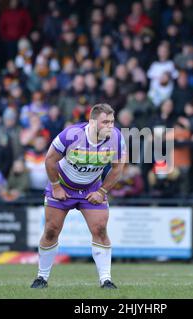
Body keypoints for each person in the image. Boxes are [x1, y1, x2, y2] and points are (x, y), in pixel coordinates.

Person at [30, 103, 126, 289]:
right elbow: (50, 160)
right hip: (63, 187)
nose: (110, 126)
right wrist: (56, 187)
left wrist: (101, 191)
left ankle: (106, 280)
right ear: (92, 122)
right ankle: (41, 277)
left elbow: (118, 168)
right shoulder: (71, 134)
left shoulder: (117, 138)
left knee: (100, 229)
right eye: (105, 122)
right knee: (51, 230)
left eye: (112, 122)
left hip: (92, 189)